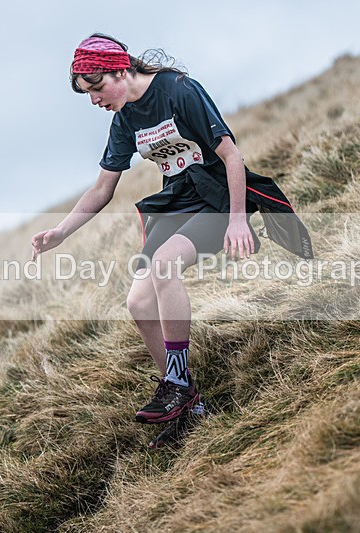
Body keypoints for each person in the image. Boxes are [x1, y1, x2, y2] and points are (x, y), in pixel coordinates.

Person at [31, 34, 312, 425]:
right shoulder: (124, 119)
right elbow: (102, 189)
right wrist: (61, 232)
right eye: (87, 93)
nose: (94, 99)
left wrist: (236, 219)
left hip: (217, 198)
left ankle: (177, 383)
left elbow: (231, 156)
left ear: (120, 70)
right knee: (138, 303)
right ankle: (187, 401)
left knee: (165, 265)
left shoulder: (179, 90)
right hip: (178, 204)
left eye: (96, 87)